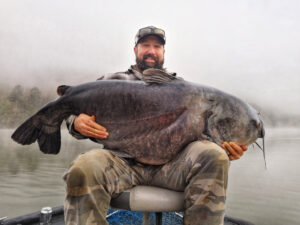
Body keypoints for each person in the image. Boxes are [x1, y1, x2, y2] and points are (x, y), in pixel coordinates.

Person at [63, 26, 248, 225]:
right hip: (121, 163)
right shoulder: (111, 81)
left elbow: (204, 136)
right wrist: (76, 122)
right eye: (145, 45)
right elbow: (71, 107)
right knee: (84, 166)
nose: (151, 50)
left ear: (163, 52)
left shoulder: (184, 90)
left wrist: (225, 150)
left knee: (215, 155)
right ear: (135, 50)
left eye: (157, 46)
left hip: (172, 167)